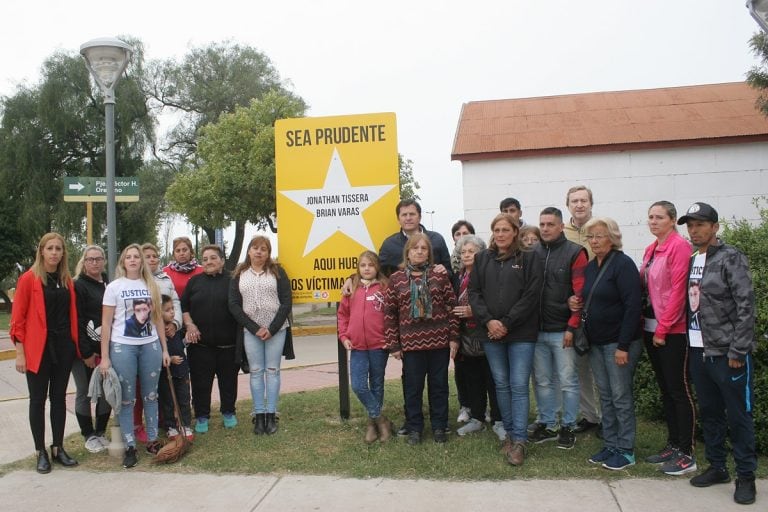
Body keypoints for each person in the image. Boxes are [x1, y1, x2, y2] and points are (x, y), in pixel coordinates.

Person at [679, 202, 757, 505]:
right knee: (710, 414)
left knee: (738, 416)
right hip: (699, 351)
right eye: (690, 225)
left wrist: (738, 349)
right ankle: (717, 467)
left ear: (715, 227)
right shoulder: (694, 258)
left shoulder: (731, 258)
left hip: (728, 354)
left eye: (700, 224)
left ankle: (746, 476)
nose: (694, 230)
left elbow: (745, 307)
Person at [469, 214, 543, 466]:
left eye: (505, 230)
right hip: (491, 332)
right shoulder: (482, 259)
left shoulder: (530, 258)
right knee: (501, 384)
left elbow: (532, 295)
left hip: (521, 333)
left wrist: (507, 322)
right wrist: (490, 321)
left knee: (519, 385)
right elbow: (474, 293)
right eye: (496, 230)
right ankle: (510, 436)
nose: (500, 234)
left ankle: (520, 440)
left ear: (515, 232)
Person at [573, 218, 642, 471]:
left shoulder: (623, 265)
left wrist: (623, 346)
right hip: (596, 343)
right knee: (606, 396)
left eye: (600, 236)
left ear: (612, 237)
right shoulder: (591, 267)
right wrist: (575, 303)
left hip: (618, 344)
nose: (594, 241)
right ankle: (611, 444)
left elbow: (633, 306)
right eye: (591, 237)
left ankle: (626, 449)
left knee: (621, 396)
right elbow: (588, 299)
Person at [11, 232, 80, 474]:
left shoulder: (66, 280)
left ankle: (58, 448)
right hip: (37, 348)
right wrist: (20, 353)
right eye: (49, 248)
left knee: (59, 398)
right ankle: (40, 451)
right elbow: (17, 320)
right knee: (38, 400)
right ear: (41, 251)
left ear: (63, 253)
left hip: (63, 347)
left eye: (58, 249)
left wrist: (74, 345)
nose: (54, 252)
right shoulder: (29, 279)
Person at [384, 233, 459, 445]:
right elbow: (389, 314)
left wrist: (454, 337)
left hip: (439, 342)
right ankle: (415, 427)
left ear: (429, 253)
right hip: (410, 344)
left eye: (423, 248)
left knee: (439, 386)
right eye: (415, 248)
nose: (419, 251)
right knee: (413, 388)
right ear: (407, 252)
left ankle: (439, 427)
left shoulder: (439, 276)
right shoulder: (396, 279)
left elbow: (452, 308)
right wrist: (394, 344)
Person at [100, 244, 170, 469]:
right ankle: (130, 445)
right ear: (123, 262)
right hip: (123, 348)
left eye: (136, 257)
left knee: (151, 395)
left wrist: (165, 349)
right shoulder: (114, 287)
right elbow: (106, 323)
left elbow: (158, 318)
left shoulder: (151, 285)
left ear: (141, 261)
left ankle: (151, 440)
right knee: (126, 398)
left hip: (150, 346)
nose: (132, 260)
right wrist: (105, 357)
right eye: (128, 257)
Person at [640, 201, 697, 475]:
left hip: (673, 331)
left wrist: (663, 328)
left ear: (673, 220)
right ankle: (672, 444)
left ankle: (687, 452)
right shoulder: (652, 249)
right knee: (666, 390)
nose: (653, 221)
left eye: (659, 217)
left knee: (679, 390)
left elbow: (678, 292)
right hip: (652, 327)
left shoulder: (679, 246)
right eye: (650, 217)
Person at [530, 207, 588, 450]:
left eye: (550, 224)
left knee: (567, 381)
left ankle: (568, 425)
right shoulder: (531, 253)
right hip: (536, 330)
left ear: (561, 226)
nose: (545, 228)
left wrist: (572, 327)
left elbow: (580, 294)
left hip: (562, 329)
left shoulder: (575, 253)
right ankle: (547, 423)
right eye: (542, 224)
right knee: (543, 381)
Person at [229, 236, 292, 435]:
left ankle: (271, 414)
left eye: (263, 249)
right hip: (250, 331)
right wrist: (255, 327)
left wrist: (271, 328)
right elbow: (233, 304)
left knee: (272, 370)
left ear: (268, 252)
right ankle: (259, 415)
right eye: (255, 248)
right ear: (248, 251)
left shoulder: (277, 272)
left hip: (277, 330)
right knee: (256, 371)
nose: (259, 252)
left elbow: (286, 302)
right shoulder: (239, 274)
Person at [182, 244, 240, 434]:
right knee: (200, 383)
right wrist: (190, 324)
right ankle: (201, 416)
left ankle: (229, 413)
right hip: (201, 346)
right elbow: (184, 308)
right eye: (205, 259)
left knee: (229, 382)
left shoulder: (233, 281)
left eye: (213, 258)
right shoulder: (194, 282)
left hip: (228, 345)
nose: (209, 262)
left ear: (222, 261)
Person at [451, 235, 504, 440]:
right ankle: (477, 418)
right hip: (466, 337)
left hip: (487, 333)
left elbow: (497, 301)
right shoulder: (458, 276)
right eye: (463, 251)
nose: (466, 255)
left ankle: (499, 420)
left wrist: (473, 311)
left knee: (493, 379)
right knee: (473, 379)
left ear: (481, 252)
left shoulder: (489, 273)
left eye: (471, 251)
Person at [337, 251, 392, 443]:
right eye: (363, 265)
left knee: (377, 384)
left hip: (379, 346)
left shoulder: (385, 288)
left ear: (377, 266)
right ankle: (380, 419)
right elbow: (342, 315)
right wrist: (344, 336)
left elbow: (392, 315)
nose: (366, 268)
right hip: (358, 347)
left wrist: (390, 338)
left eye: (370, 265)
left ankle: (372, 424)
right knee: (359, 385)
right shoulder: (352, 289)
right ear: (358, 268)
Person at [563, 185, 601, 435]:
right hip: (572, 306)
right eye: (574, 201)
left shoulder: (600, 229)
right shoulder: (562, 233)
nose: (579, 205)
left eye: (583, 200)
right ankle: (590, 416)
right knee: (580, 367)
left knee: (602, 367)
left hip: (598, 304)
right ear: (568, 205)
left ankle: (607, 417)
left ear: (591, 203)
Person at [136, 243, 183, 441]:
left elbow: (176, 302)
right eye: (147, 256)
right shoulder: (136, 281)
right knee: (148, 384)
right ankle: (143, 424)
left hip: (168, 333)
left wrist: (174, 322)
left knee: (167, 380)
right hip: (146, 336)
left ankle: (168, 420)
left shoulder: (166, 278)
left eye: (155, 255)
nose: (152, 259)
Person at [73, 245, 111, 453]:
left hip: (105, 349)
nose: (94, 263)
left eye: (98, 259)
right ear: (84, 262)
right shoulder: (78, 286)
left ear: (104, 261)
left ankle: (100, 431)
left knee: (106, 392)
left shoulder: (108, 284)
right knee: (85, 392)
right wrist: (86, 352)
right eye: (90, 259)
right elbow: (77, 320)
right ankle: (88, 434)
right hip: (85, 352)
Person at [378, 199, 453, 278]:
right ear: (398, 219)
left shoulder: (437, 239)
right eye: (404, 215)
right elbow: (380, 275)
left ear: (420, 217)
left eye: (412, 214)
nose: (408, 218)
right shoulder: (389, 245)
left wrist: (445, 271)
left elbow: (450, 272)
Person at [449, 219, 475, 423]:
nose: (462, 236)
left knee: (483, 372)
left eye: (465, 233)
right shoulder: (452, 272)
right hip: (459, 329)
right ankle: (465, 405)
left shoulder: (482, 268)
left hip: (479, 330)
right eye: (458, 234)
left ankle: (481, 408)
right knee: (462, 371)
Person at [157, 294, 193, 440]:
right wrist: (170, 359)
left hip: (182, 371)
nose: (172, 312)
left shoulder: (177, 328)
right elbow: (157, 352)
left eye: (172, 309)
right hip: (166, 374)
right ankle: (171, 426)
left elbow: (180, 344)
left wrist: (187, 340)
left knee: (184, 398)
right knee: (167, 401)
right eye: (167, 310)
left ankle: (185, 425)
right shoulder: (157, 333)